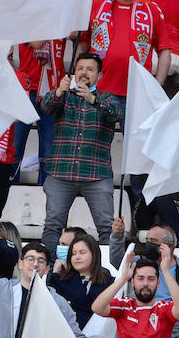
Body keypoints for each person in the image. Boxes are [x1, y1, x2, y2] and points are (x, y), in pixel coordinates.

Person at [39, 53, 120, 253]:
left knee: (106, 228)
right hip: (61, 172)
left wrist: (93, 99)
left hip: (96, 174)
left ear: (99, 75)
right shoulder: (63, 95)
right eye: (80, 69)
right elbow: (45, 107)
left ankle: (106, 274)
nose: (84, 73)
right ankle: (47, 273)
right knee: (52, 226)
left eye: (90, 69)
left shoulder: (106, 98)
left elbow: (117, 114)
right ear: (74, 72)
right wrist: (59, 91)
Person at [76, 0, 169, 98]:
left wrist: (158, 85)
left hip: (138, 94)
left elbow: (165, 50)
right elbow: (81, 44)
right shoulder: (97, 6)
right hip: (97, 91)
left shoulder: (152, 11)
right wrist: (80, 80)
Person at [52, 233, 113, 324]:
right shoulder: (60, 280)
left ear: (94, 254)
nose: (77, 257)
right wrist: (55, 272)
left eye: (82, 252)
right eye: (73, 253)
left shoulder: (109, 281)